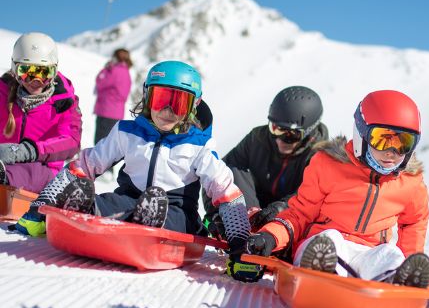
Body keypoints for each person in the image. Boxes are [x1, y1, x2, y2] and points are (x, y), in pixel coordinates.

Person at [14, 61, 251, 263]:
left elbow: (225, 191)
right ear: (147, 97)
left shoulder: (199, 145)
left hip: (176, 209)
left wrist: (239, 245)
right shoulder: (127, 132)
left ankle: (148, 219)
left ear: (193, 107)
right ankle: (85, 209)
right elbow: (85, 165)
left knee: (173, 217)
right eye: (160, 100)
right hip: (130, 199)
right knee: (106, 201)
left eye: (178, 103)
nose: (167, 110)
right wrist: (40, 206)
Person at [246, 90, 429, 288]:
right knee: (329, 239)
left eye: (403, 142)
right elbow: (300, 213)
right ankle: (323, 272)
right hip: (321, 244)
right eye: (382, 139)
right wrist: (271, 236)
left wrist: (410, 259)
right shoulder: (329, 165)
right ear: (362, 135)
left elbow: (414, 222)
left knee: (391, 254)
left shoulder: (411, 184)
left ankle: (399, 279)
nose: (392, 152)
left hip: (368, 254)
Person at [203, 86, 329, 237]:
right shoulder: (258, 139)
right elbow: (218, 173)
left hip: (290, 219)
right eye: (275, 128)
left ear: (309, 132)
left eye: (290, 135)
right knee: (229, 170)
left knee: (319, 200)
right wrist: (215, 213)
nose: (279, 140)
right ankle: (242, 224)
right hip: (254, 212)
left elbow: (312, 198)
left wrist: (281, 209)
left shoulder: (320, 156)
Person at [0, 32, 81, 193]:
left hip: (44, 170)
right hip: (3, 162)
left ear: (54, 71)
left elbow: (72, 141)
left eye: (44, 73)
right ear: (15, 69)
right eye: (26, 71)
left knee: (31, 172)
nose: (35, 81)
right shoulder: (2, 93)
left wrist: (29, 151)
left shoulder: (63, 101)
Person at [93, 48, 132, 144]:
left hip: (106, 111)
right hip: (117, 112)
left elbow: (100, 82)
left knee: (100, 144)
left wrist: (105, 69)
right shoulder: (126, 72)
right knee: (110, 145)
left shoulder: (114, 71)